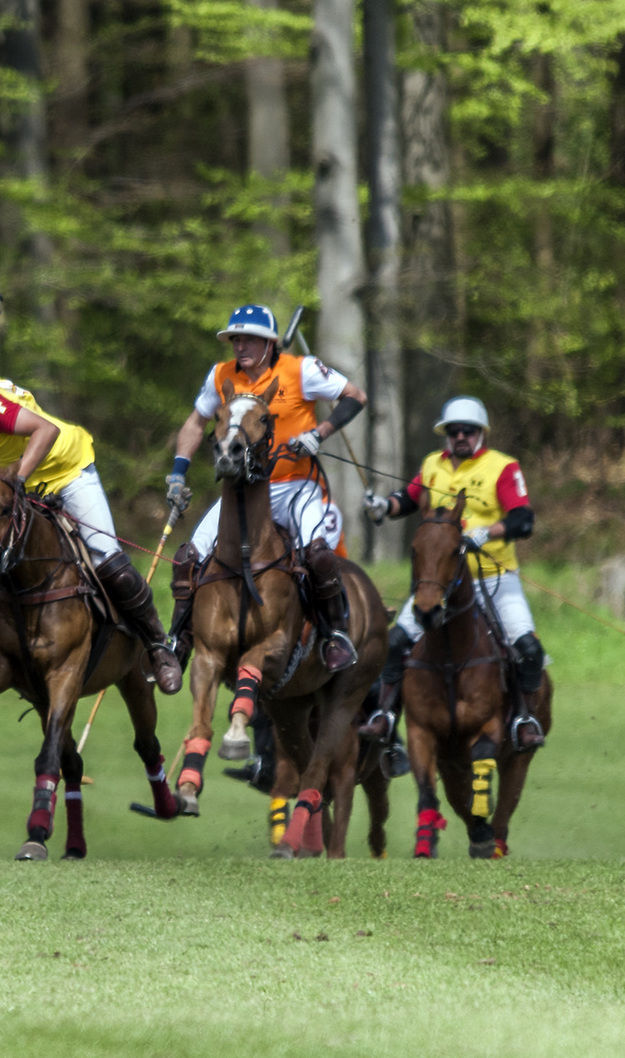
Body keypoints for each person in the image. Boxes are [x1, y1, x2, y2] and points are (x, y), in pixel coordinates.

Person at [0, 282, 182, 696]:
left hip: (66, 469)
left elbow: (44, 430)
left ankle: (158, 647)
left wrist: (14, 482)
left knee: (107, 559)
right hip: (27, 478)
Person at [165, 304, 368, 673]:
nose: (240, 346)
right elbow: (195, 424)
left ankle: (334, 634)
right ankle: (179, 639)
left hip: (296, 486)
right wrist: (178, 474)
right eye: (235, 339)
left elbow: (355, 395)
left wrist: (317, 435)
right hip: (240, 492)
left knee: (319, 554)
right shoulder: (221, 375)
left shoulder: (301, 370)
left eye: (249, 339)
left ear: (270, 344)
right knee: (188, 557)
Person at [360, 395, 547, 752]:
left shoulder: (502, 467)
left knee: (527, 647)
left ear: (481, 434)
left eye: (468, 430)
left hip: (494, 577)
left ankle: (524, 718)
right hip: (440, 582)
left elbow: (523, 520)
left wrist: (486, 532)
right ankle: (385, 715)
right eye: (453, 431)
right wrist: (384, 506)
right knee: (397, 642)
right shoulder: (434, 464)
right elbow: (410, 498)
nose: (460, 436)